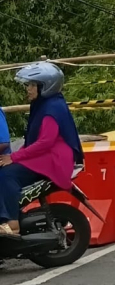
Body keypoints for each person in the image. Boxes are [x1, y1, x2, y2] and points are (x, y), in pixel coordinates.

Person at [0, 62, 83, 237]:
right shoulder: (46, 104)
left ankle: (13, 224)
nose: (28, 89)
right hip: (47, 156)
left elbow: (45, 141)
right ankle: (12, 213)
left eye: (32, 85)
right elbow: (34, 141)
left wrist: (14, 158)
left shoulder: (51, 108)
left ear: (45, 86)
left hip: (53, 160)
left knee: (7, 174)